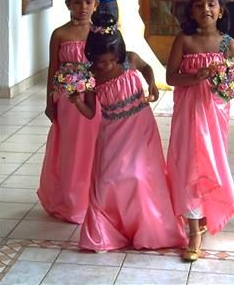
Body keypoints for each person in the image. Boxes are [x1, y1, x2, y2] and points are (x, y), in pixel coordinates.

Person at [69, 13, 187, 251]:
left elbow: (147, 68)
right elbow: (92, 112)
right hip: (112, 131)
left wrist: (152, 84)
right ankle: (108, 230)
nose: (106, 66)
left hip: (140, 126)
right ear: (91, 56)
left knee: (140, 176)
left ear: (120, 54)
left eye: (112, 60)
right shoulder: (91, 76)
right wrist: (77, 101)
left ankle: (147, 226)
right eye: (101, 62)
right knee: (107, 180)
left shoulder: (130, 60)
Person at [166, 0, 234, 261]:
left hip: (213, 114)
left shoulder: (228, 44)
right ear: (191, 11)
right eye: (199, 5)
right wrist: (193, 77)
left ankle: (205, 212)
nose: (205, 10)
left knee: (209, 163)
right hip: (187, 113)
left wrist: (223, 83)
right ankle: (193, 228)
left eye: (211, 4)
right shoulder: (183, 40)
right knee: (188, 164)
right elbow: (171, 76)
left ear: (221, 10)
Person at [37, 0, 101, 224]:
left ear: (95, 4)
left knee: (92, 149)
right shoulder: (60, 34)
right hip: (67, 101)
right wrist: (49, 101)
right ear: (68, 5)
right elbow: (53, 69)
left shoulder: (100, 32)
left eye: (88, 2)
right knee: (71, 150)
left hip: (94, 99)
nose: (83, 7)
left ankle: (92, 198)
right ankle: (71, 200)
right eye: (77, 2)